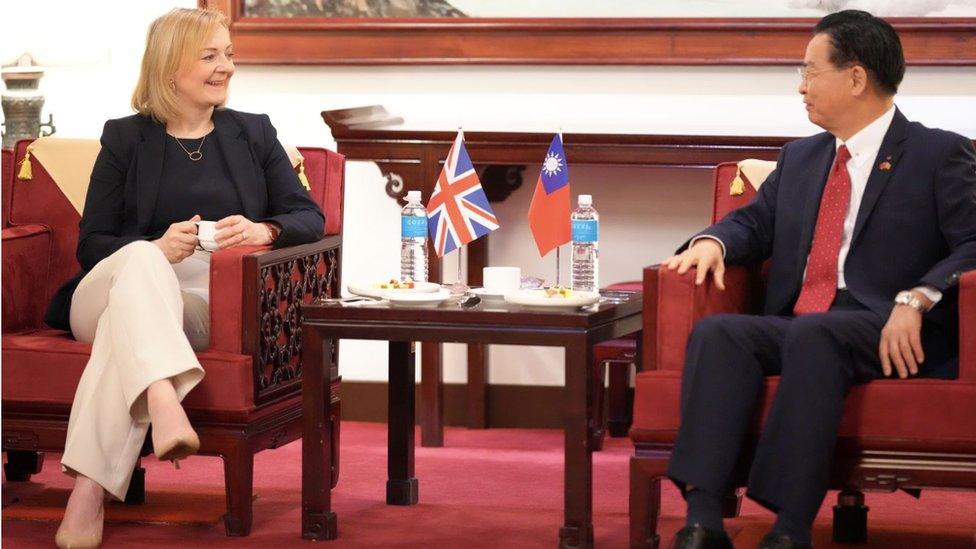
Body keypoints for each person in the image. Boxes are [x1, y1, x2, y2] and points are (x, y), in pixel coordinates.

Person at [663, 10, 976, 549]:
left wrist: (917, 297)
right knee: (721, 334)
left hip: (887, 325)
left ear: (856, 78)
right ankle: (704, 517)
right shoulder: (802, 157)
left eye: (810, 72)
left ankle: (790, 527)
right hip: (806, 321)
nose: (801, 87)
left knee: (816, 333)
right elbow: (753, 223)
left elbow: (974, 239)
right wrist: (712, 241)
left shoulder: (938, 152)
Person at [49, 8, 325, 548]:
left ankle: (89, 491)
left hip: (197, 304)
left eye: (229, 54)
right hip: (107, 289)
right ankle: (162, 396)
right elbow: (91, 243)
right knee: (142, 263)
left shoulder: (253, 132)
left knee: (123, 336)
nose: (226, 66)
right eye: (210, 56)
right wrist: (153, 248)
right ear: (171, 67)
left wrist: (264, 231)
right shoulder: (125, 139)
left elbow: (308, 216)